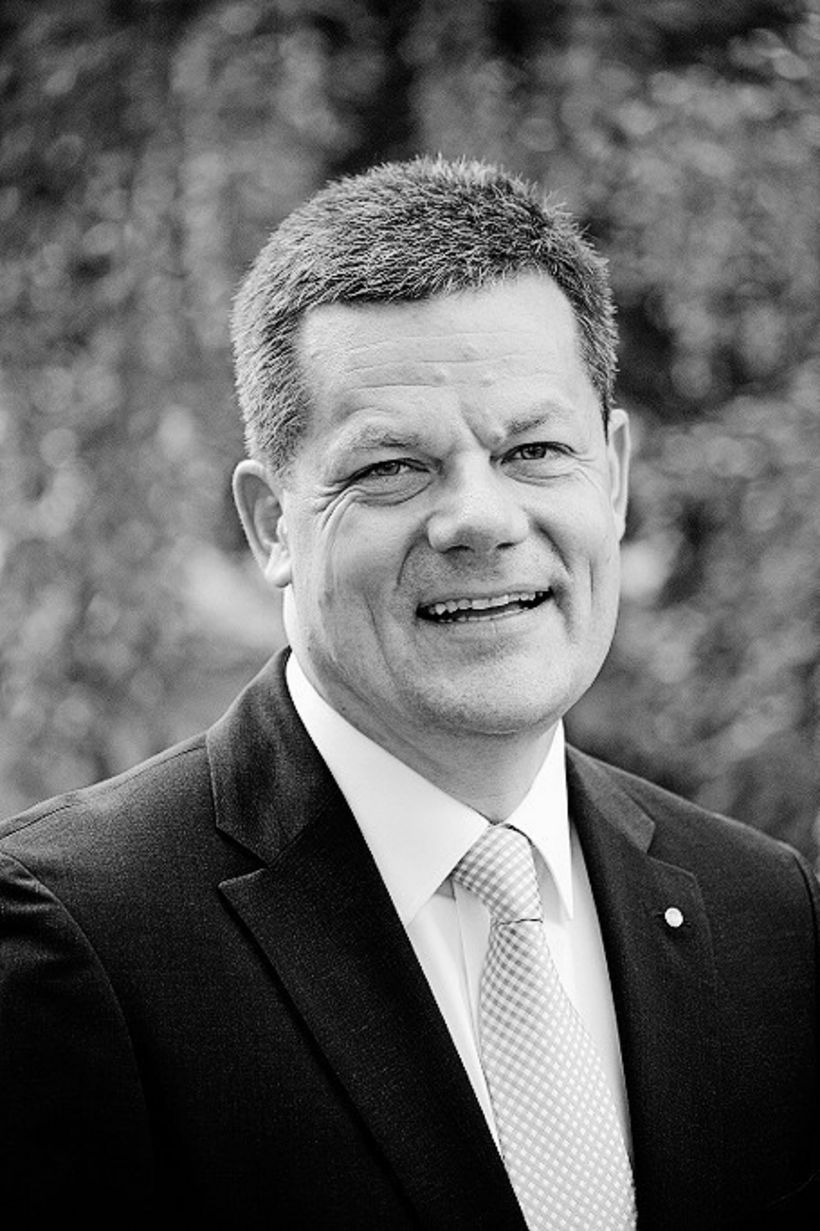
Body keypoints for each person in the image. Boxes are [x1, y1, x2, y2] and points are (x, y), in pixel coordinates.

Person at [0, 156, 817, 1231]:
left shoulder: (763, 910)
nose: (478, 519)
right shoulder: (74, 937)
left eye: (534, 449)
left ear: (613, 477)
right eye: (390, 467)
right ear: (271, 524)